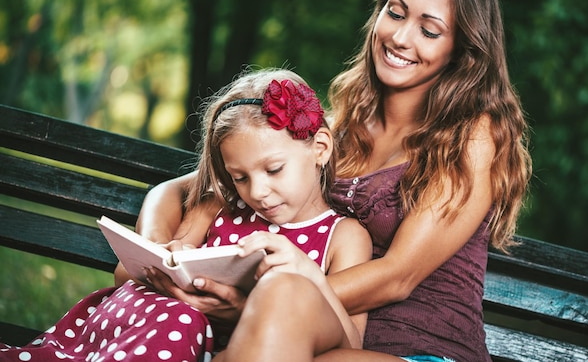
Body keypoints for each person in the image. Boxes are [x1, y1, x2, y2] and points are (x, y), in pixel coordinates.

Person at [135, 0, 532, 362]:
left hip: (420, 351)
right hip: (309, 339)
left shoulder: (472, 135)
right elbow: (180, 189)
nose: (400, 37)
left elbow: (398, 277)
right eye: (395, 13)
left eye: (429, 31)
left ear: (463, 49)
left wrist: (255, 300)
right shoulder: (337, 129)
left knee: (283, 295)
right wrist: (160, 256)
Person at [0, 68, 372, 362]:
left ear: (320, 148)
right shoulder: (220, 208)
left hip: (235, 350)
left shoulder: (345, 236)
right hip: (159, 334)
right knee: (181, 319)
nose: (256, 192)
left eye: (273, 170)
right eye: (239, 177)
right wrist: (172, 257)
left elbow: (349, 346)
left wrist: (306, 271)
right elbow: (125, 274)